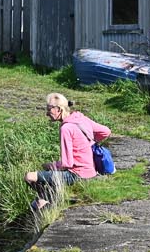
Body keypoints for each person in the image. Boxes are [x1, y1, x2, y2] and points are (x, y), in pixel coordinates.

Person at [27, 90, 110, 220]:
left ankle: (47, 201)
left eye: (49, 109)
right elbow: (106, 131)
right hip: (91, 171)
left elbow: (67, 164)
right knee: (48, 176)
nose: (46, 113)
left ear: (58, 109)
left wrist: (51, 165)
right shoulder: (81, 118)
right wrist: (89, 144)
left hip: (76, 175)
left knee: (30, 176)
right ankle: (48, 198)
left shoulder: (66, 129)